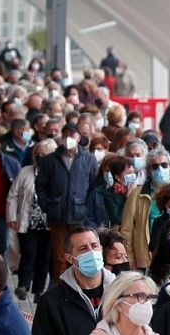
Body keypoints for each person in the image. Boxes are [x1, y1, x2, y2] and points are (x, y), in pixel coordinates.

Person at [36, 124, 101, 279]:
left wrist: (87, 208)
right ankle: (61, 288)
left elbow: (94, 187)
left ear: (79, 138)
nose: (68, 139)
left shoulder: (89, 159)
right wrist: (47, 205)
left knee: (81, 256)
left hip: (80, 215)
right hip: (57, 215)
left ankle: (80, 285)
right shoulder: (49, 160)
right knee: (60, 257)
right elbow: (40, 186)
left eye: (72, 135)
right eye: (65, 135)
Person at [8, 139, 55, 300]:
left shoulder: (55, 174)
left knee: (44, 257)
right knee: (28, 253)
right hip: (28, 222)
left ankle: (38, 290)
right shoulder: (25, 172)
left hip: (49, 225)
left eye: (45, 154)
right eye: (38, 154)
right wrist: (12, 216)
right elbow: (13, 195)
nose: (41, 157)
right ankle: (23, 285)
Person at [90, 156, 137, 228]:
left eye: (133, 172)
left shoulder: (138, 190)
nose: (133, 175)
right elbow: (118, 219)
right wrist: (127, 197)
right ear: (118, 177)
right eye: (129, 173)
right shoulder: (109, 194)